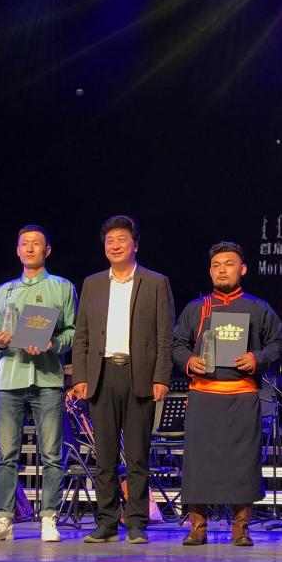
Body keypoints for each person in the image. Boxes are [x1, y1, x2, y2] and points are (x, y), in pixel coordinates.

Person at [172, 242, 282, 546]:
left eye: (229, 264)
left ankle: (241, 528)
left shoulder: (259, 308)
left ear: (243, 269)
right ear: (210, 271)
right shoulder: (196, 308)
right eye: (216, 265)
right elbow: (177, 344)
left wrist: (256, 358)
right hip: (203, 396)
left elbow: (277, 345)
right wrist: (189, 361)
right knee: (198, 463)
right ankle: (197, 527)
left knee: (242, 464)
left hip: (242, 397)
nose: (222, 270)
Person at [71, 215, 175, 544]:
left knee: (137, 456)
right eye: (110, 240)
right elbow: (82, 335)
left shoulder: (155, 282)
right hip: (101, 375)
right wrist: (80, 376)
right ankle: (106, 521)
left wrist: (161, 377)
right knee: (104, 456)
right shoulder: (93, 283)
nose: (115, 245)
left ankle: (136, 522)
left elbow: (165, 336)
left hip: (138, 375)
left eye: (122, 239)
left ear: (135, 245)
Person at [0, 224, 77, 542]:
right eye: (25, 243)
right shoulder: (3, 292)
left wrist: (53, 344)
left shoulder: (62, 287)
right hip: (10, 379)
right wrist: (0, 343)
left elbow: (74, 331)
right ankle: (3, 519)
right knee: (7, 454)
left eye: (36, 244)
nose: (30, 248)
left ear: (48, 250)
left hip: (47, 379)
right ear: (17, 250)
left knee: (51, 454)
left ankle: (49, 517)